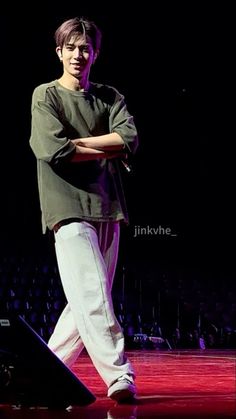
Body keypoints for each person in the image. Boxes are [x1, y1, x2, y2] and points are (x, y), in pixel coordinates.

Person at [29, 16, 139, 403]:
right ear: (59, 51)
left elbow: (130, 138)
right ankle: (119, 375)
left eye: (85, 47)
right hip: (66, 207)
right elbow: (53, 150)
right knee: (92, 294)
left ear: (95, 53)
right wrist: (107, 148)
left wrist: (82, 144)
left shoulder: (109, 97)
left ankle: (40, 371)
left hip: (108, 207)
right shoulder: (46, 95)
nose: (79, 54)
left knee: (84, 301)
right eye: (71, 47)